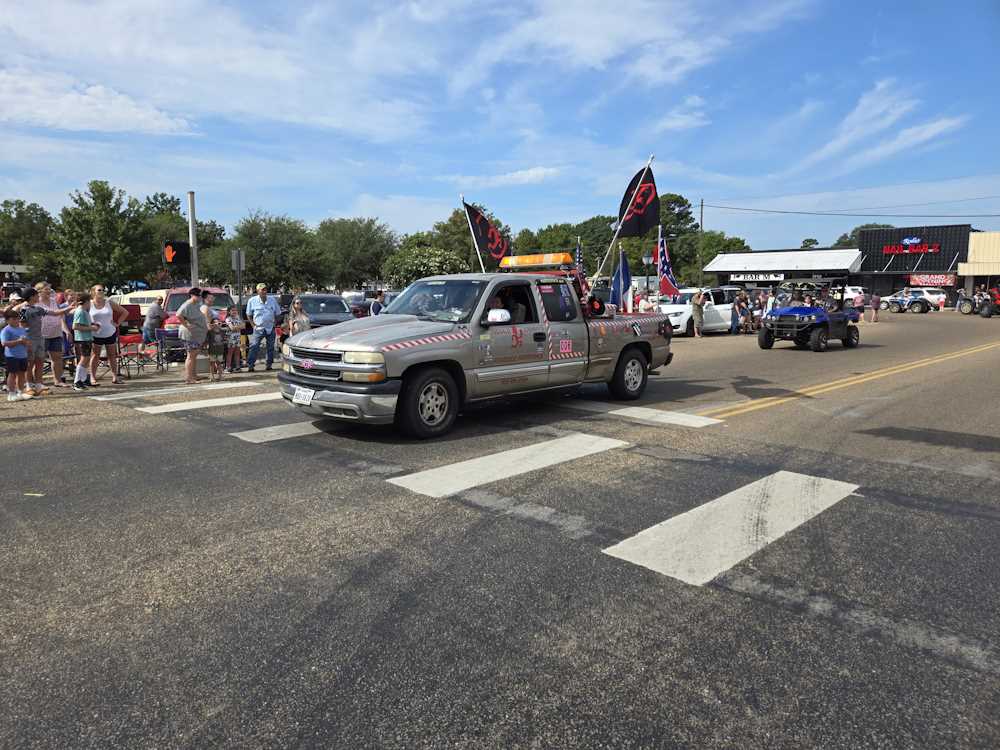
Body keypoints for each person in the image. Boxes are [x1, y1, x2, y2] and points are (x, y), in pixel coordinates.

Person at [12, 286, 66, 395]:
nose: (38, 297)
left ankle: (38, 384)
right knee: (30, 363)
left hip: (40, 338)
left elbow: (54, 313)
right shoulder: (24, 309)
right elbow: (23, 325)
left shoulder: (38, 308)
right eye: (36, 295)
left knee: (40, 362)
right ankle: (28, 385)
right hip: (30, 339)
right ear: (32, 297)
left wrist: (68, 308)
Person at [88, 284, 128, 385]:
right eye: (99, 290)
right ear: (93, 292)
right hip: (95, 334)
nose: (101, 292)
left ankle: (115, 377)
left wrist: (117, 323)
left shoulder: (109, 302)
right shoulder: (89, 304)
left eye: (103, 290)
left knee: (112, 355)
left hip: (110, 332)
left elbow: (125, 312)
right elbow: (80, 314)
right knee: (95, 356)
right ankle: (92, 377)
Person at [36, 283, 70, 388]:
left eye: (50, 289)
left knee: (57, 359)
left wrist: (66, 331)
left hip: (56, 334)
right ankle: (38, 382)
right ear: (39, 291)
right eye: (46, 289)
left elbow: (60, 316)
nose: (49, 291)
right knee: (39, 360)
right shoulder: (36, 303)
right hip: (42, 335)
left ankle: (58, 380)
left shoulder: (53, 301)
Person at [244, 283, 282, 372]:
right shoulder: (252, 300)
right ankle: (251, 365)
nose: (264, 291)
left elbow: (278, 313)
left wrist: (275, 324)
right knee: (254, 347)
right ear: (258, 291)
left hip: (270, 328)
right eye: (262, 290)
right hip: (258, 328)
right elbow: (248, 314)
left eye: (265, 289)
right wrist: (253, 325)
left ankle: (269, 364)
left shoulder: (272, 300)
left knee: (271, 347)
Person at [177, 287, 208, 384]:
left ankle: (193, 375)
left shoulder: (195, 304)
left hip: (196, 334)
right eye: (198, 295)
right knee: (191, 355)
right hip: (189, 334)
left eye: (200, 296)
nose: (199, 297)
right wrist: (186, 325)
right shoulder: (187, 304)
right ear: (192, 295)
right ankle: (189, 378)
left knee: (194, 356)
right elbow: (178, 314)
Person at [3, 308, 33, 401]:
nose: (16, 320)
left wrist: (27, 344)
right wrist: (18, 341)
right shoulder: (6, 330)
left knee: (21, 374)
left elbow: (27, 341)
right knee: (12, 374)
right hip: (11, 356)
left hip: (22, 355)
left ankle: (20, 392)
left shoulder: (22, 329)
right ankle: (11, 394)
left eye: (17, 318)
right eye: (13, 319)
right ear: (7, 320)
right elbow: (4, 343)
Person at [72, 293, 99, 391]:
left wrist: (92, 325)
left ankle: (83, 380)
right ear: (86, 302)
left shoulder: (84, 311)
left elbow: (84, 324)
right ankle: (77, 382)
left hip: (87, 338)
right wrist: (91, 328)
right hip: (82, 338)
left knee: (86, 359)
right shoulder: (80, 311)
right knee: (84, 359)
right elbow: (75, 326)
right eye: (89, 301)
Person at [201, 290, 225, 381]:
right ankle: (213, 375)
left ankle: (218, 375)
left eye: (213, 298)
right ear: (205, 299)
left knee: (217, 360)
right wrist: (215, 326)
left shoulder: (208, 308)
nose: (212, 299)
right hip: (211, 336)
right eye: (210, 298)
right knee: (212, 359)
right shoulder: (205, 308)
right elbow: (207, 325)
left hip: (214, 336)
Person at [224, 305, 244, 373]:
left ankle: (237, 367)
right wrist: (238, 327)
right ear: (229, 312)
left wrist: (236, 327)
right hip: (231, 338)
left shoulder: (238, 318)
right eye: (232, 310)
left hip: (237, 337)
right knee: (230, 353)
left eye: (235, 310)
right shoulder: (228, 319)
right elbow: (232, 328)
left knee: (237, 352)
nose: (234, 312)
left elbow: (243, 326)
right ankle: (228, 367)